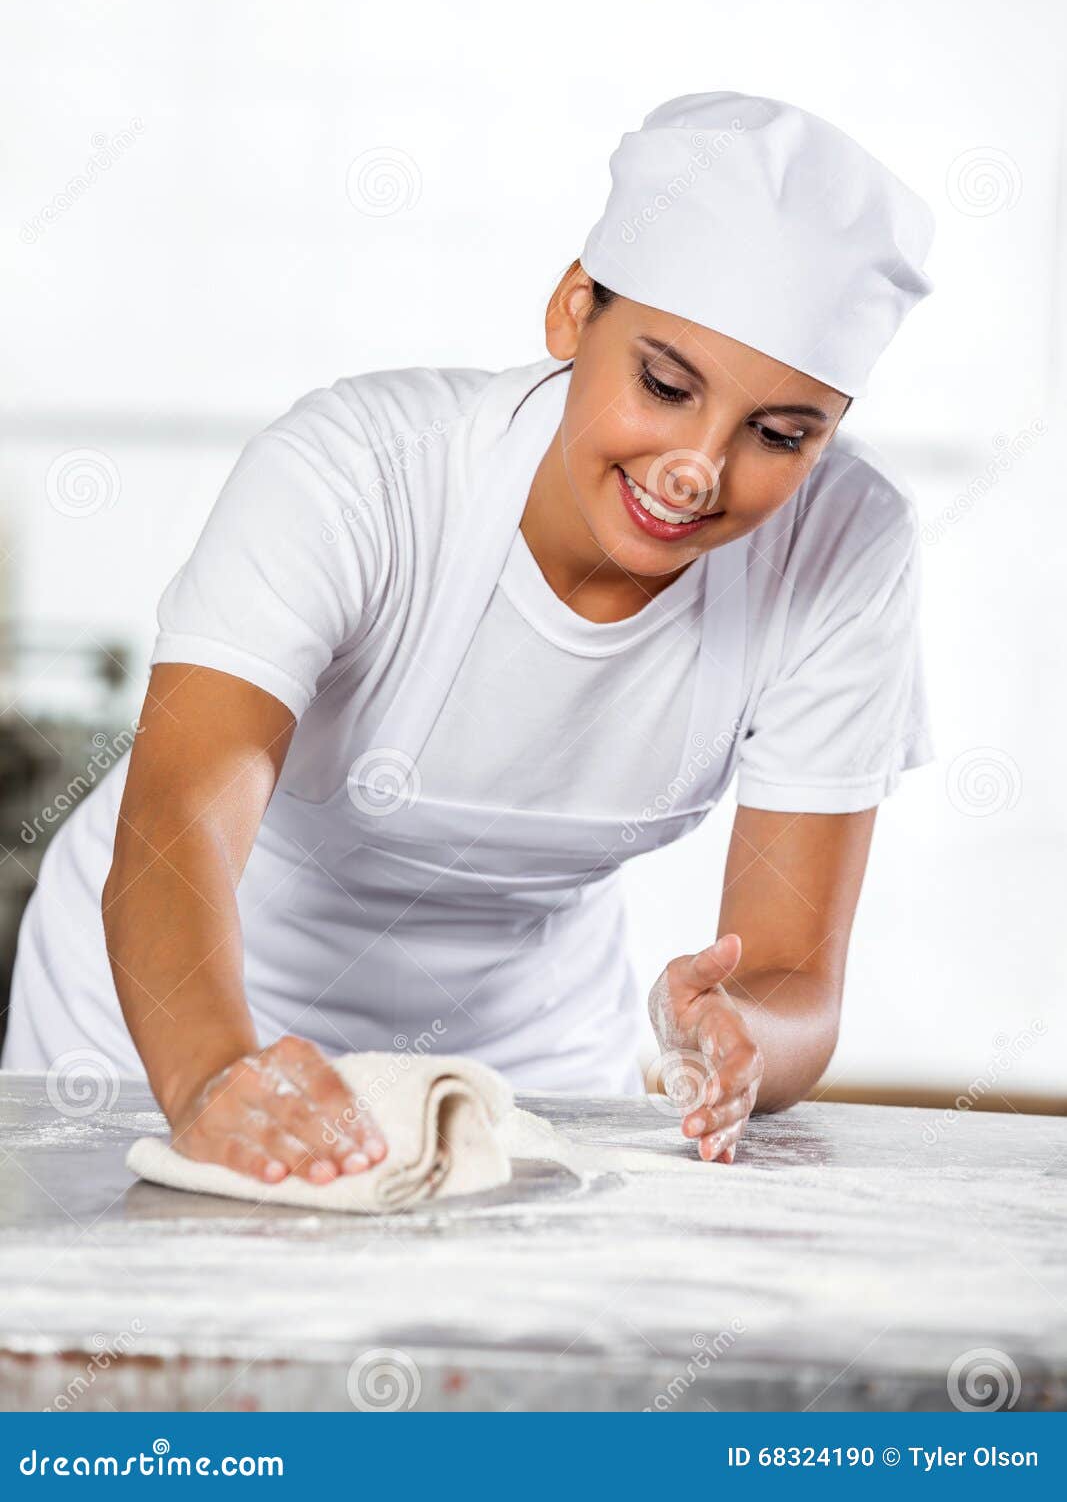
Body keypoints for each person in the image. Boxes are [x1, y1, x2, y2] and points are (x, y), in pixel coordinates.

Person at [2, 91, 937, 1189]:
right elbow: (175, 827)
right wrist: (214, 1078)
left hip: (526, 1049)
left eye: (779, 435)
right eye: (664, 384)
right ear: (572, 311)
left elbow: (789, 977)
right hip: (175, 1009)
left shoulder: (843, 547)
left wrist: (740, 1040)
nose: (698, 468)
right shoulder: (358, 473)